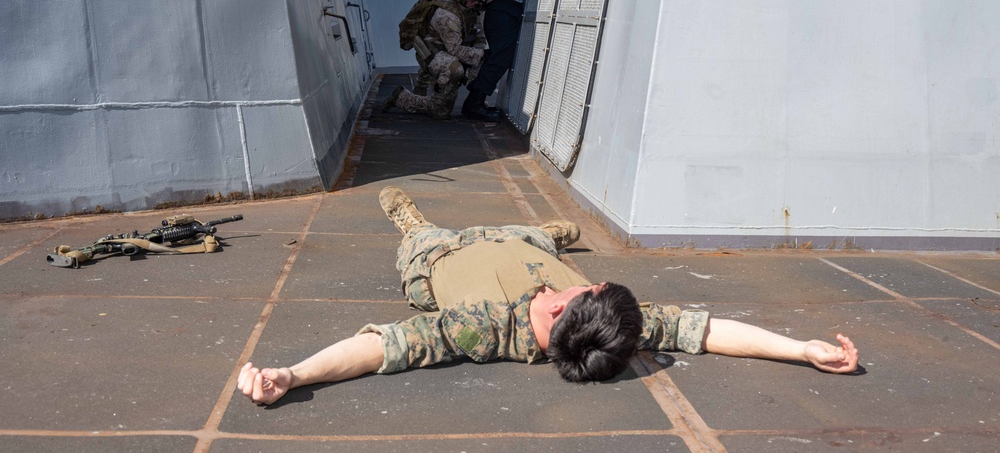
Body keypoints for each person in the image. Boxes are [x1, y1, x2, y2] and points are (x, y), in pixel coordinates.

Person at [236, 188, 860, 405]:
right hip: (526, 250)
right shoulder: (610, 324)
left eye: (585, 286)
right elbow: (708, 331)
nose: (587, 284)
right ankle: (546, 235)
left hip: (445, 256)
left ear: (562, 309)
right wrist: (801, 350)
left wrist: (293, 373)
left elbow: (379, 348)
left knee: (419, 237)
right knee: (534, 235)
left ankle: (410, 218)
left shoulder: (480, 329)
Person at [384, 0, 490, 119]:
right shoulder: (448, 17)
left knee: (474, 61)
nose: (474, 4)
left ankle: (424, 88)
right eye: (471, 1)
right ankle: (401, 97)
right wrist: (482, 54)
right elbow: (456, 50)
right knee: (440, 109)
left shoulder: (463, 7)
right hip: (433, 55)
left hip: (439, 50)